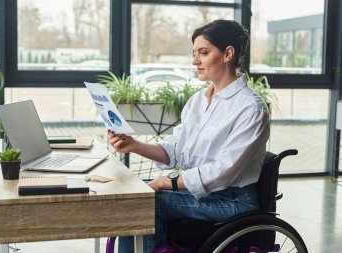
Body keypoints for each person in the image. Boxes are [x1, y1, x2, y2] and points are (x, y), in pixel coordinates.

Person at [108, 19, 270, 253]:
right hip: (203, 193)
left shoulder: (250, 108)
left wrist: (166, 182)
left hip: (232, 201)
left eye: (203, 53)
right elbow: (175, 151)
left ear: (228, 54)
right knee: (131, 191)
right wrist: (134, 145)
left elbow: (223, 171)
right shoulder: (198, 101)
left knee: (147, 201)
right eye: (194, 53)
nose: (195, 61)